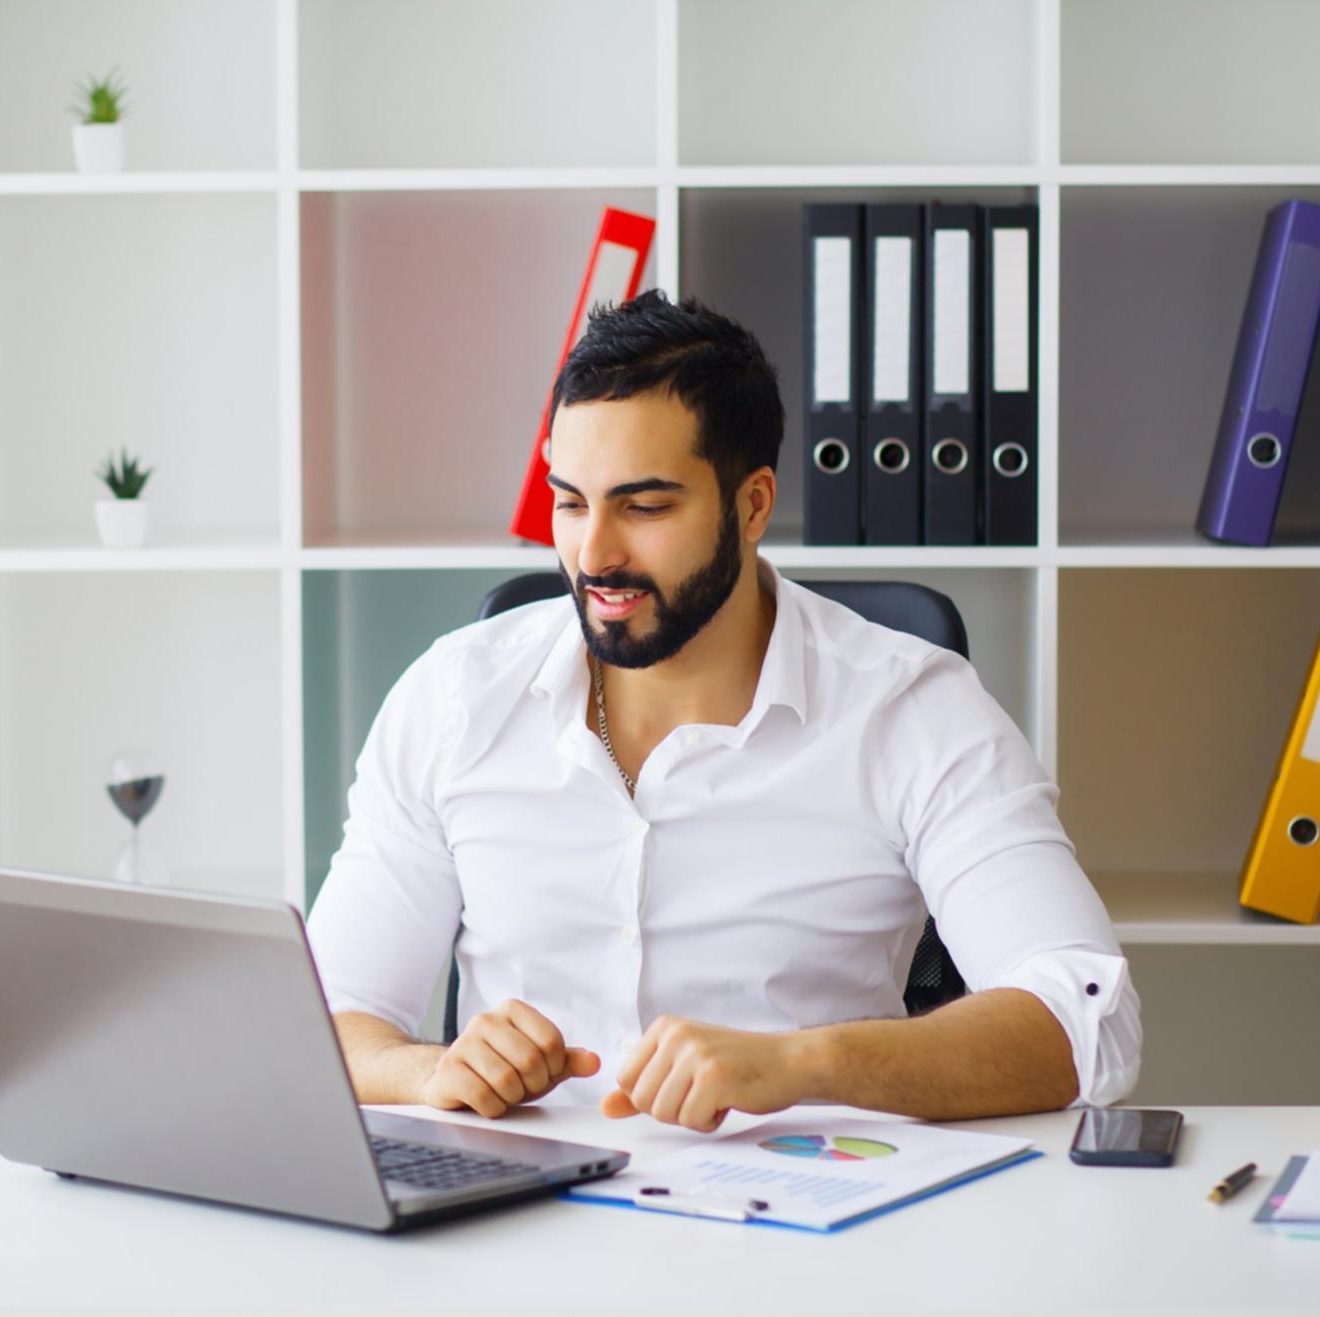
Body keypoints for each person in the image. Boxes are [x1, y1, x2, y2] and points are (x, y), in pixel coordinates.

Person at [307, 290, 1140, 1134]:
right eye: (571, 502)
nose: (594, 553)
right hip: (518, 1224)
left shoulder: (908, 708)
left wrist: (803, 1063)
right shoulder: (453, 696)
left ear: (752, 504)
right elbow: (330, 1021)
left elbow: (1086, 1018)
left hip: (803, 1222)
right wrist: (434, 1070)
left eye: (645, 506)